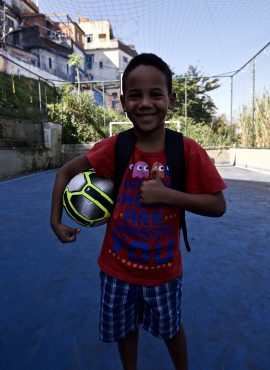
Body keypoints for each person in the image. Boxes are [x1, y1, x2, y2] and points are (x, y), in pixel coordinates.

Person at [50, 53, 227, 370]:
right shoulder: (114, 147)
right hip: (116, 270)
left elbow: (217, 205)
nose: (145, 103)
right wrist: (56, 221)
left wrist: (167, 195)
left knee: (171, 330)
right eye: (135, 95)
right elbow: (64, 173)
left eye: (155, 94)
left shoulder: (185, 150)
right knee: (124, 330)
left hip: (163, 273)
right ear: (122, 101)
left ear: (170, 100)